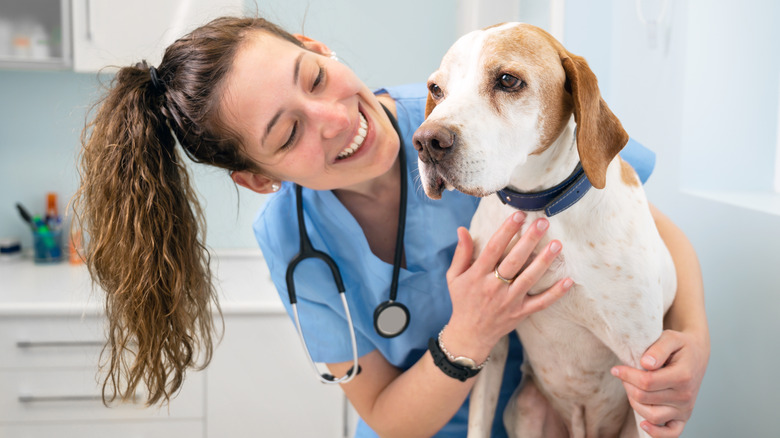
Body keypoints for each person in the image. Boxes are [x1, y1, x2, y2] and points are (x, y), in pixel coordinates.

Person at [74, 16, 709, 438]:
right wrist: (471, 330)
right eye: (288, 132)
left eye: (315, 77)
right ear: (258, 178)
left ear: (319, 48)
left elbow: (640, 225)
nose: (332, 117)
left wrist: (694, 338)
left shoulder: (450, 118)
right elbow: (384, 415)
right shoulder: (292, 239)